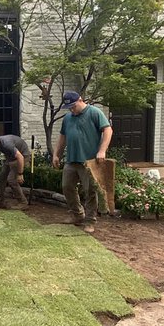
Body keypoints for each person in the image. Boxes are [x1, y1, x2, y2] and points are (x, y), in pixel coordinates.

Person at [51, 91, 112, 233]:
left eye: (73, 106)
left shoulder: (94, 113)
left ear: (80, 100)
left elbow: (108, 130)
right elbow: (62, 138)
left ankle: (90, 221)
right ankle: (77, 214)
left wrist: (102, 150)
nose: (72, 109)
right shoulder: (68, 118)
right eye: (69, 107)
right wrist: (56, 155)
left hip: (89, 161)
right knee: (67, 186)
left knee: (90, 191)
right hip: (71, 160)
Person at [0, 129, 31, 209]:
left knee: (11, 179)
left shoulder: (6, 143)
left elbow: (20, 157)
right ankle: (0, 201)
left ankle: (23, 202)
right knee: (1, 177)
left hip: (22, 157)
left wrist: (20, 174)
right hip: (11, 158)